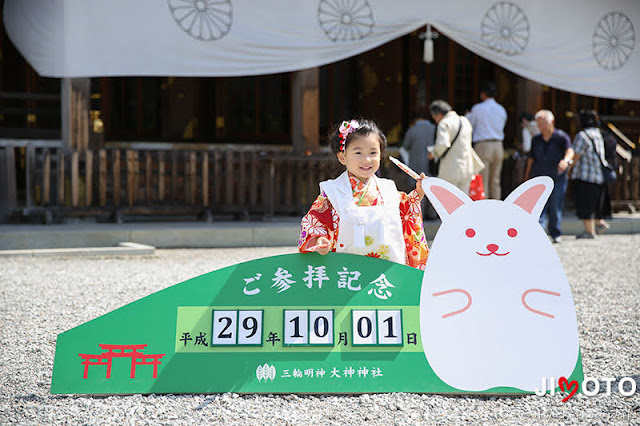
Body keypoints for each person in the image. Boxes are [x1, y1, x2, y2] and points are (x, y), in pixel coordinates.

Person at [298, 118, 429, 270]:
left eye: (373, 153)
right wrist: (319, 240)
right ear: (342, 157)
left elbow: (405, 211)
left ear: (380, 155)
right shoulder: (333, 192)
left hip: (386, 268)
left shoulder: (388, 188)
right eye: (358, 153)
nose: (367, 160)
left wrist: (417, 194)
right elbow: (317, 221)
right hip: (347, 271)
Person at [524, 109, 574, 243]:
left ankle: (555, 233)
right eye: (539, 124)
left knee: (555, 206)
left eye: (543, 124)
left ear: (552, 122)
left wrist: (566, 161)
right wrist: (526, 176)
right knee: (539, 208)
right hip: (539, 178)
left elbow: (570, 151)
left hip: (557, 178)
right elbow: (531, 158)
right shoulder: (536, 139)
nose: (541, 127)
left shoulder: (562, 137)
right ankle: (537, 235)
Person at [570, 109, 610, 239]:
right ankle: (599, 224)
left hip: (585, 175)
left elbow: (576, 155)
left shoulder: (582, 135)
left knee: (585, 204)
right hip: (598, 176)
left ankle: (590, 232)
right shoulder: (598, 134)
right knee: (594, 204)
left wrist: (569, 169)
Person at [466, 82, 507, 199]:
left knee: (483, 180)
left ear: (483, 94)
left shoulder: (478, 108)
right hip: (498, 145)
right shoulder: (501, 109)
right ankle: (496, 207)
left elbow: (470, 125)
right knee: (495, 180)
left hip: (483, 144)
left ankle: (484, 208)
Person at [427, 100, 476, 195]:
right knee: (464, 201)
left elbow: (443, 144)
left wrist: (433, 153)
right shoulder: (465, 121)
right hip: (467, 167)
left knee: (448, 202)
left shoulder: (444, 123)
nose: (435, 120)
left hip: (451, 168)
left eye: (434, 117)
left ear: (439, 114)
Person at [402, 110, 437, 219]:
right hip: (432, 164)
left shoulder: (413, 130)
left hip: (416, 164)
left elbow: (405, 146)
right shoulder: (434, 128)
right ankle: (432, 214)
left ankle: (418, 215)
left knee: (418, 189)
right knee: (432, 189)